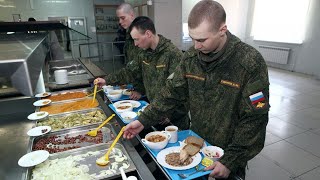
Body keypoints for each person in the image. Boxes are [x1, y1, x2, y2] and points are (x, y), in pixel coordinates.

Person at [123, 1, 270, 179]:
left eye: (201, 40)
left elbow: (255, 119)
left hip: (227, 153)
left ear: (222, 30)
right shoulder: (191, 59)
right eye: (192, 38)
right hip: (196, 145)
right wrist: (143, 120)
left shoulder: (249, 63)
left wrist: (230, 161)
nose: (196, 46)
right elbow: (171, 93)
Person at [94, 16, 190, 130]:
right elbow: (130, 72)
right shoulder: (144, 53)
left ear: (148, 34)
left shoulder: (173, 54)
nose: (135, 44)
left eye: (136, 39)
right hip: (154, 112)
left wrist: (170, 114)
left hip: (174, 121)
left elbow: (182, 91)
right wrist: (106, 80)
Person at [116, 3, 145, 99]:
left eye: (123, 18)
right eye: (119, 18)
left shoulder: (140, 32)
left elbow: (144, 67)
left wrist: (140, 90)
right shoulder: (129, 34)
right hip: (134, 84)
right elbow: (130, 63)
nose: (120, 21)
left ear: (132, 15)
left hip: (143, 89)